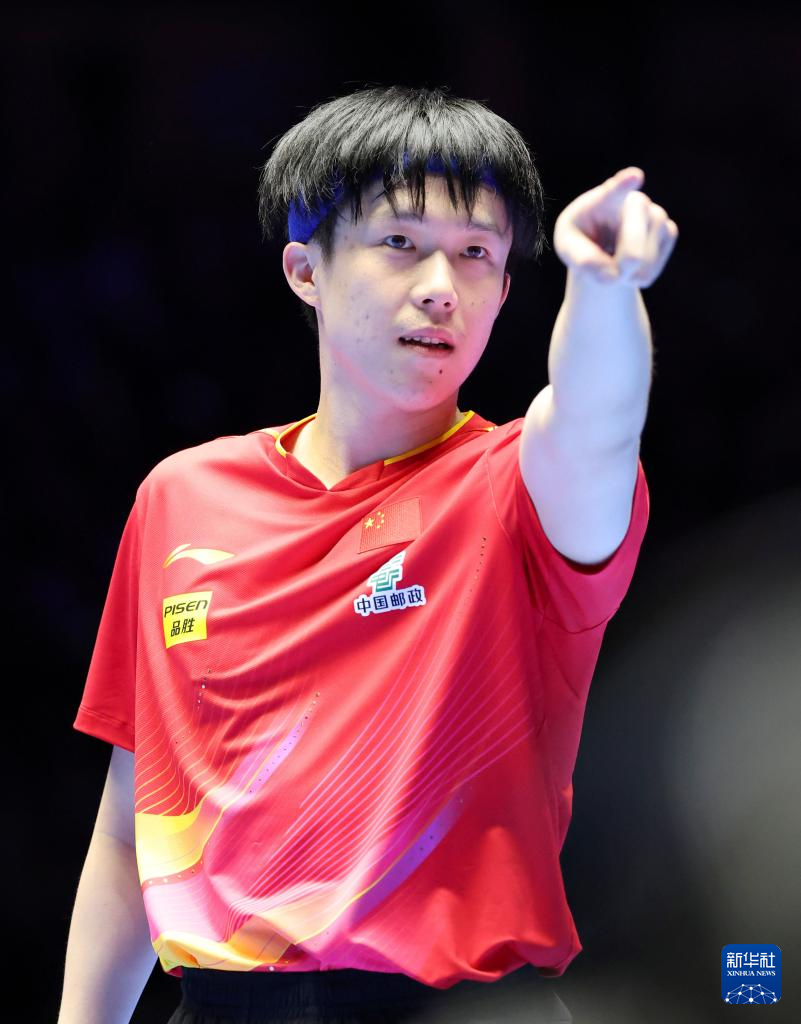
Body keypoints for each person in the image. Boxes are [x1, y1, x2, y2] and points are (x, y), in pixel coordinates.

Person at [59, 84, 678, 1024]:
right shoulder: (180, 499)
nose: (440, 285)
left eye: (476, 254)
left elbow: (598, 417)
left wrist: (603, 289)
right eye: (399, 241)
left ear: (505, 292)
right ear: (305, 269)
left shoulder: (521, 491)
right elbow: (127, 832)